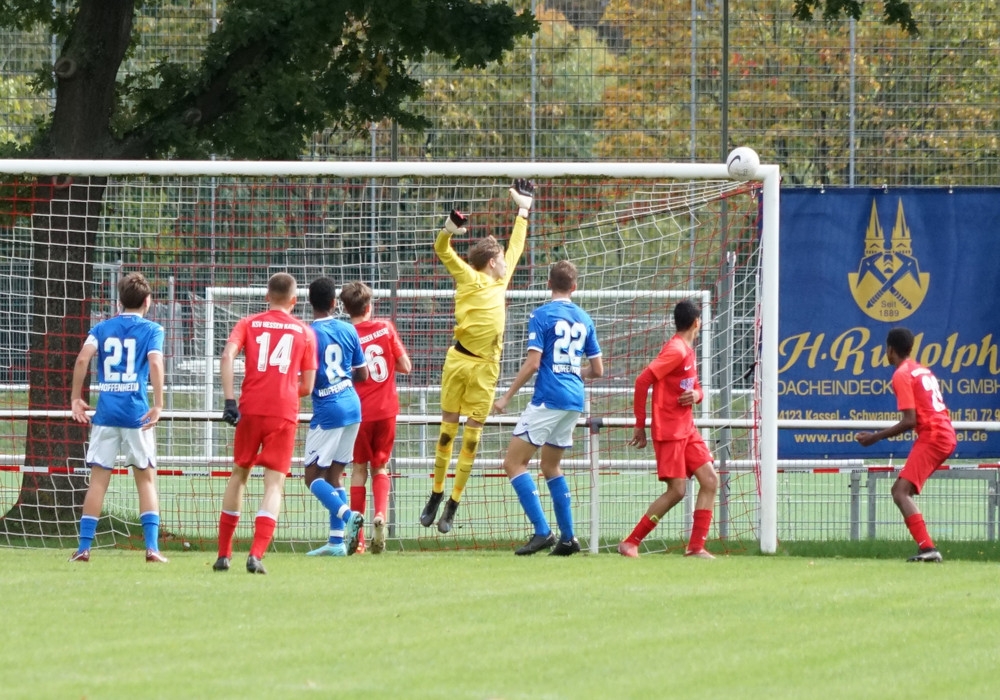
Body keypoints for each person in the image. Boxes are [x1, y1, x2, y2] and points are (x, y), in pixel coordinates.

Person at [419, 179, 534, 534]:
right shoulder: (468, 277)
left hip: (487, 367)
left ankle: (453, 504)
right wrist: (450, 227)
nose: (505, 262)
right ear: (490, 262)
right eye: (500, 259)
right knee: (446, 433)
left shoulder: (502, 281)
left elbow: (517, 243)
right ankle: (436, 494)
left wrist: (523, 208)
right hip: (459, 360)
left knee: (472, 437)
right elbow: (442, 248)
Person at [493, 260, 603, 556]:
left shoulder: (541, 315)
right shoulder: (585, 318)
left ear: (548, 284)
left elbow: (533, 363)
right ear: (575, 287)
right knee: (551, 465)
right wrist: (576, 373)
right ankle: (569, 538)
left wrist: (506, 397)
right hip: (573, 401)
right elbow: (598, 369)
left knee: (513, 464)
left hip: (549, 398)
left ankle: (542, 531)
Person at [214, 273, 317, 574]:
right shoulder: (305, 332)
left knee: (239, 474)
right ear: (294, 301)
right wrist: (283, 388)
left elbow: (227, 355)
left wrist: (230, 400)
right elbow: (308, 386)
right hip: (283, 412)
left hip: (250, 408)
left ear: (266, 296)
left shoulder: (248, 323)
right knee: (274, 484)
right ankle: (256, 554)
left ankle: (223, 554)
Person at [69, 272, 167, 563]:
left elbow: (83, 359)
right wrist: (159, 403)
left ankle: (84, 548)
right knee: (146, 480)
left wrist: (76, 397)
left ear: (119, 301)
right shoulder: (153, 330)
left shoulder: (102, 328)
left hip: (106, 414)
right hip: (137, 414)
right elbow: (156, 361)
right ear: (147, 301)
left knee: (98, 481)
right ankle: (152, 548)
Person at [618, 299, 718, 559]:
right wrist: (640, 425)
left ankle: (696, 547)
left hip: (687, 429)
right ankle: (631, 542)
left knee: (709, 480)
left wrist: (697, 395)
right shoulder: (675, 350)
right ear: (697, 322)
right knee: (677, 491)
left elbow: (695, 387)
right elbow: (643, 381)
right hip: (670, 431)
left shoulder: (687, 349)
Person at [855, 327, 956, 563]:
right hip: (942, 433)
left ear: (890, 349)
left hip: (934, 436)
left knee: (900, 492)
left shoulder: (901, 374)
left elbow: (910, 420)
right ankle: (926, 547)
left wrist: (875, 437)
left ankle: (928, 549)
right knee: (902, 490)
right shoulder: (921, 370)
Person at [301, 277, 369, 557]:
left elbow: (303, 379)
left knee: (311, 477)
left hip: (328, 410)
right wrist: (342, 377)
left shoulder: (306, 334)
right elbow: (363, 374)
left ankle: (346, 516)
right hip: (353, 406)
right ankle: (336, 543)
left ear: (310, 302)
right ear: (334, 303)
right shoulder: (348, 329)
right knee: (334, 476)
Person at [344, 281, 412, 554]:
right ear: (369, 306)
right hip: (386, 411)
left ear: (345, 308)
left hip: (358, 412)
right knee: (380, 467)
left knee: (359, 469)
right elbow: (406, 366)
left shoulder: (346, 333)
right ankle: (380, 514)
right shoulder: (385, 328)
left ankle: (357, 539)